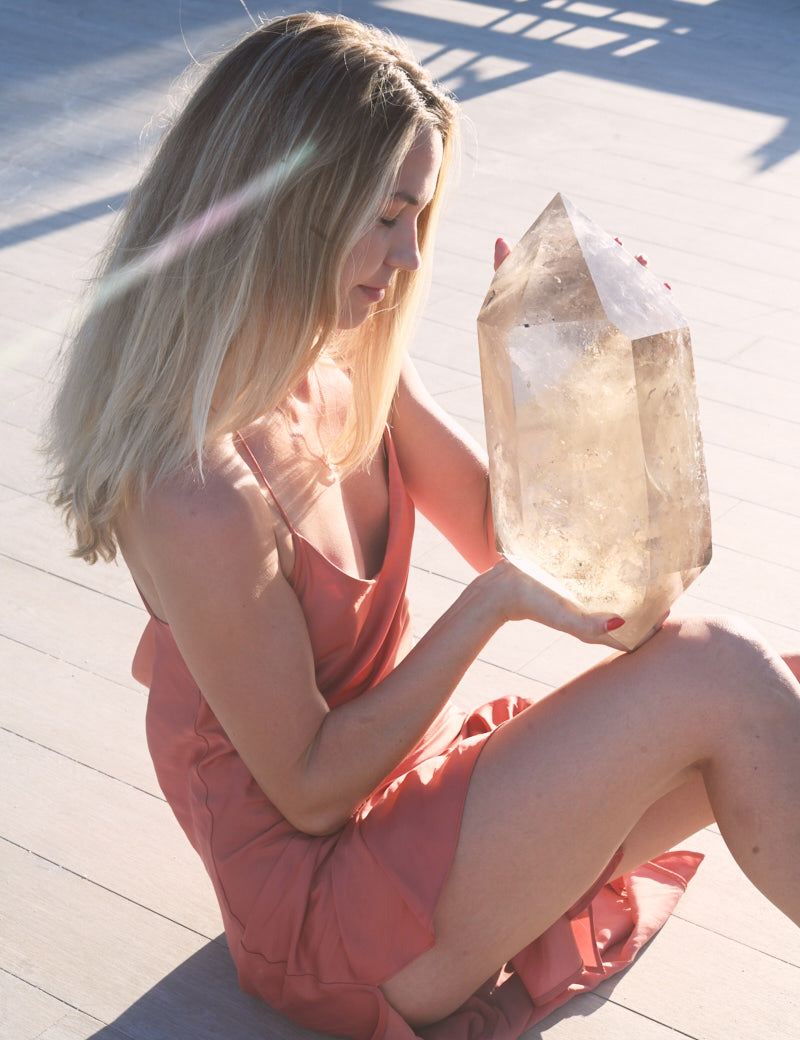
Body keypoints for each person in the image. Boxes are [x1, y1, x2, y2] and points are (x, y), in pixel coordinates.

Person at [46, 12, 800, 1040]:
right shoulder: (190, 484)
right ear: (287, 206)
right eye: (388, 214)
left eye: (420, 215)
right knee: (728, 680)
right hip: (326, 915)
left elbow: (602, 601)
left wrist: (584, 379)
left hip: (415, 808)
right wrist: (484, 608)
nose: (408, 256)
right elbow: (310, 791)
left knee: (770, 685)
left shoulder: (346, 363)